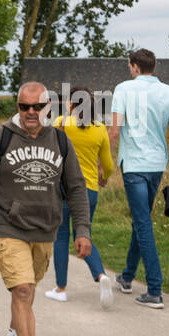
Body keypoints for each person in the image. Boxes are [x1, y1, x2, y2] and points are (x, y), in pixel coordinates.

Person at [0, 82, 92, 336]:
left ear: (47, 108)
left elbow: (77, 188)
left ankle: (14, 335)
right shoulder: (0, 138)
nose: (29, 112)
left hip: (45, 229)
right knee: (23, 289)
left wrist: (82, 230)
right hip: (7, 226)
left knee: (27, 290)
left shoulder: (61, 141)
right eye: (23, 106)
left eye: (36, 107)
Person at [109, 48, 169, 309]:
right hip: (157, 165)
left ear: (134, 66)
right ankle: (127, 277)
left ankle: (155, 290)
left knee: (143, 224)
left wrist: (102, 164)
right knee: (141, 219)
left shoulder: (123, 89)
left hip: (133, 165)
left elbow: (114, 130)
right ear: (152, 67)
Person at [44, 86, 116, 308]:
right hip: (90, 190)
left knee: (61, 236)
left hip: (64, 189)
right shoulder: (99, 129)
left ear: (72, 104)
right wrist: (104, 177)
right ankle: (101, 276)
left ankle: (61, 289)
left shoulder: (61, 124)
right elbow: (108, 164)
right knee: (84, 234)